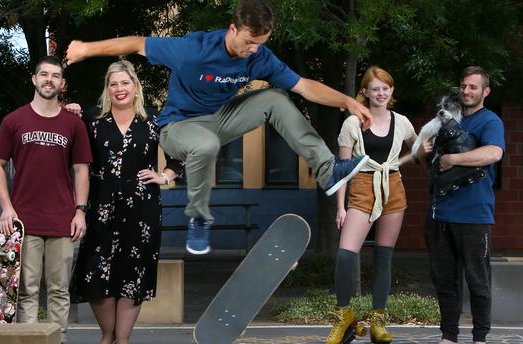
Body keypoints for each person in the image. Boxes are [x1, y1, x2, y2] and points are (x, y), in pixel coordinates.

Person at [64, 0, 373, 255]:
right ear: (233, 29)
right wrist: (85, 49)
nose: (253, 50)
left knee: (277, 98)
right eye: (249, 42)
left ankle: (327, 169)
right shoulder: (193, 49)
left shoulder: (260, 57)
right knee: (205, 144)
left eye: (260, 44)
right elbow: (136, 44)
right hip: (179, 128)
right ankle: (199, 216)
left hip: (221, 118)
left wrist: (347, 101)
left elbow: (303, 86)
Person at [70, 60, 183, 344]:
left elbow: (179, 157)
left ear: (136, 87)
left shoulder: (154, 121)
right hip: (100, 207)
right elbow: (72, 150)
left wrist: (164, 177)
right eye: (114, 83)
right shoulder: (92, 120)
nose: (120, 89)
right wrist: (69, 112)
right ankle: (106, 336)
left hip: (142, 209)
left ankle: (122, 342)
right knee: (95, 273)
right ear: (107, 88)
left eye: (125, 83)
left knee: (133, 274)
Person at [0, 55, 93, 344]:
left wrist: (80, 211)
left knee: (60, 289)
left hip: (62, 219)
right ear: (34, 79)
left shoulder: (73, 123)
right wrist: (7, 207)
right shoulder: (14, 120)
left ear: (62, 84)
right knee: (27, 289)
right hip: (24, 220)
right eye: (43, 74)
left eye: (55, 75)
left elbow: (81, 170)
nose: (49, 79)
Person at [324, 66, 417, 344]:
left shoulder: (402, 122)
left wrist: (398, 164)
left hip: (393, 189)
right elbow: (342, 169)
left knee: (383, 257)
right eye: (375, 88)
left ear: (391, 91)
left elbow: (418, 149)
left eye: (385, 88)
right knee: (345, 255)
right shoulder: (352, 123)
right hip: (363, 188)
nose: (380, 93)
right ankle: (344, 315)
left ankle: (378, 319)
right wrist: (340, 207)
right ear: (364, 92)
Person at [418, 66, 504, 344]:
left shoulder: (490, 120)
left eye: (473, 87)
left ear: (485, 92)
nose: (467, 91)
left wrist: (455, 158)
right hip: (439, 213)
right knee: (444, 279)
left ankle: (480, 340)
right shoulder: (446, 118)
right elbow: (430, 164)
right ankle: (449, 338)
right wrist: (423, 153)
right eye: (464, 86)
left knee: (478, 279)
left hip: (474, 214)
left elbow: (493, 153)